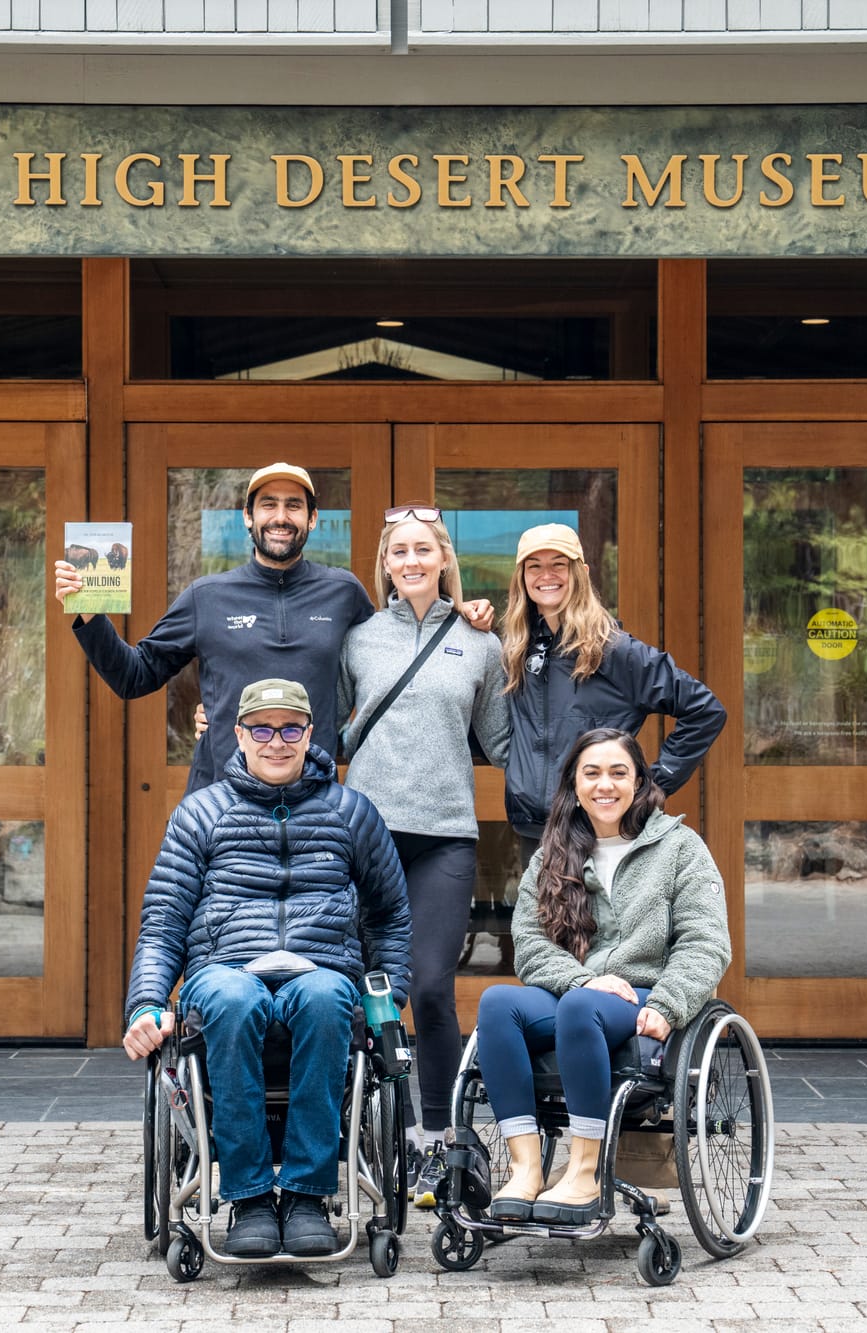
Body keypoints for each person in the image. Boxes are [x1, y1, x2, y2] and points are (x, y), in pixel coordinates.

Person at [120, 678, 411, 1259]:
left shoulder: (351, 812)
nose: (276, 742)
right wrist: (147, 1005)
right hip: (225, 969)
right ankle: (250, 1198)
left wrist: (390, 996)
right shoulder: (200, 814)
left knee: (330, 998)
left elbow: (390, 914)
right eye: (262, 729)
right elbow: (163, 923)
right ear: (240, 735)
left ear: (309, 734)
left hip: (321, 971)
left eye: (289, 729)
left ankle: (306, 1196)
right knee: (230, 1000)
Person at [55, 463, 492, 794]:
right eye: (268, 504)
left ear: (312, 518)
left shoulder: (343, 593)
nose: (280, 516)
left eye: (293, 506)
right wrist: (89, 614)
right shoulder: (207, 596)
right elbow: (134, 676)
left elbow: (398, 651)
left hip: (313, 798)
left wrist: (459, 617)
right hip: (222, 797)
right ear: (248, 517)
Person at [474, 727, 732, 1225]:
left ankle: (584, 1170)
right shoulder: (553, 853)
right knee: (497, 1004)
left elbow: (706, 941)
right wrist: (580, 979)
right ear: (575, 782)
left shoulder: (679, 848)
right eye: (591, 773)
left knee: (578, 1007)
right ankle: (527, 1168)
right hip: (578, 993)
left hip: (642, 996)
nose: (604, 785)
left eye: (618, 772)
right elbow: (529, 944)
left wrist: (669, 1002)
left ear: (639, 782)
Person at [336, 503, 510, 1209]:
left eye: (423, 549)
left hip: (444, 837)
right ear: (385, 562)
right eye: (398, 550)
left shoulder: (481, 642)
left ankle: (435, 1141)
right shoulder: (357, 640)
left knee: (432, 988)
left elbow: (503, 741)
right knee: (370, 995)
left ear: (443, 558)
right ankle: (370, 1135)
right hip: (365, 837)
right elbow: (329, 730)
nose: (410, 560)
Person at [501, 522, 726, 860]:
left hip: (597, 831)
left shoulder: (613, 649)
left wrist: (648, 785)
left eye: (558, 564)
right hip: (534, 831)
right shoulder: (519, 649)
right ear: (521, 578)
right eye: (535, 566)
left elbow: (705, 710)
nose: (546, 575)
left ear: (581, 572)